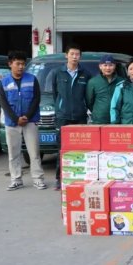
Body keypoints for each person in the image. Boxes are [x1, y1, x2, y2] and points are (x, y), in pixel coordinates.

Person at [0, 50, 46, 191]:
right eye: (18, 64)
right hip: (12, 123)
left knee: (34, 153)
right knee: (13, 153)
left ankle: (38, 179)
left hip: (30, 121)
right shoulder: (4, 82)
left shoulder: (32, 79)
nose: (21, 67)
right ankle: (16, 179)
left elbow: (36, 99)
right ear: (10, 64)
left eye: (23, 64)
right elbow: (4, 103)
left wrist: (27, 116)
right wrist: (15, 118)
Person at [52, 43, 91, 190]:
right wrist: (60, 107)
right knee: (62, 148)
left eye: (77, 54)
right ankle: (59, 178)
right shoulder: (58, 73)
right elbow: (55, 94)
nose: (75, 57)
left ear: (80, 56)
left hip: (80, 117)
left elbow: (87, 96)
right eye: (72, 54)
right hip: (63, 117)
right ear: (66, 55)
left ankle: (78, 177)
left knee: (80, 148)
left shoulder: (85, 74)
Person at [86, 54, 123, 124]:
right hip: (99, 120)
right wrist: (99, 112)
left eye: (111, 65)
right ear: (100, 66)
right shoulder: (93, 82)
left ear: (114, 66)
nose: (108, 68)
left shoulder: (121, 81)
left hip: (118, 119)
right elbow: (89, 102)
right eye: (105, 65)